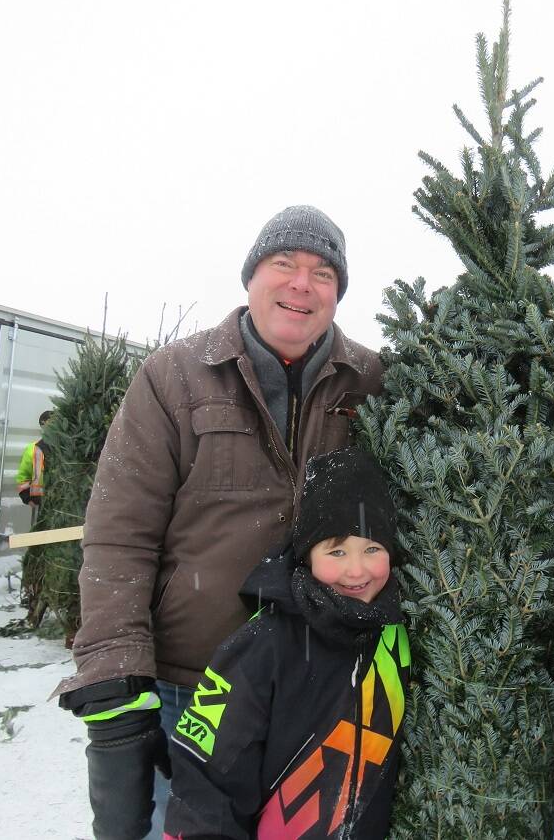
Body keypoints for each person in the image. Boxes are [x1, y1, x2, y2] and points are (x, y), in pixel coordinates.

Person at [54, 205, 384, 840]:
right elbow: (120, 532)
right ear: (250, 277)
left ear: (338, 293)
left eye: (322, 273)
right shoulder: (174, 377)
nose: (300, 284)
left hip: (317, 684)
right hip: (191, 685)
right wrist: (114, 669)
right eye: (283, 264)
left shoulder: (369, 382)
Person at [164, 446, 408, 839]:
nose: (357, 569)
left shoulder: (393, 634)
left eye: (372, 549)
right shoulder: (265, 643)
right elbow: (207, 778)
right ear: (306, 555)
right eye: (337, 550)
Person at [15, 409, 53, 524]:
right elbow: (23, 477)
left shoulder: (67, 447)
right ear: (42, 425)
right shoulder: (34, 448)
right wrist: (27, 497)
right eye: (50, 423)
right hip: (43, 504)